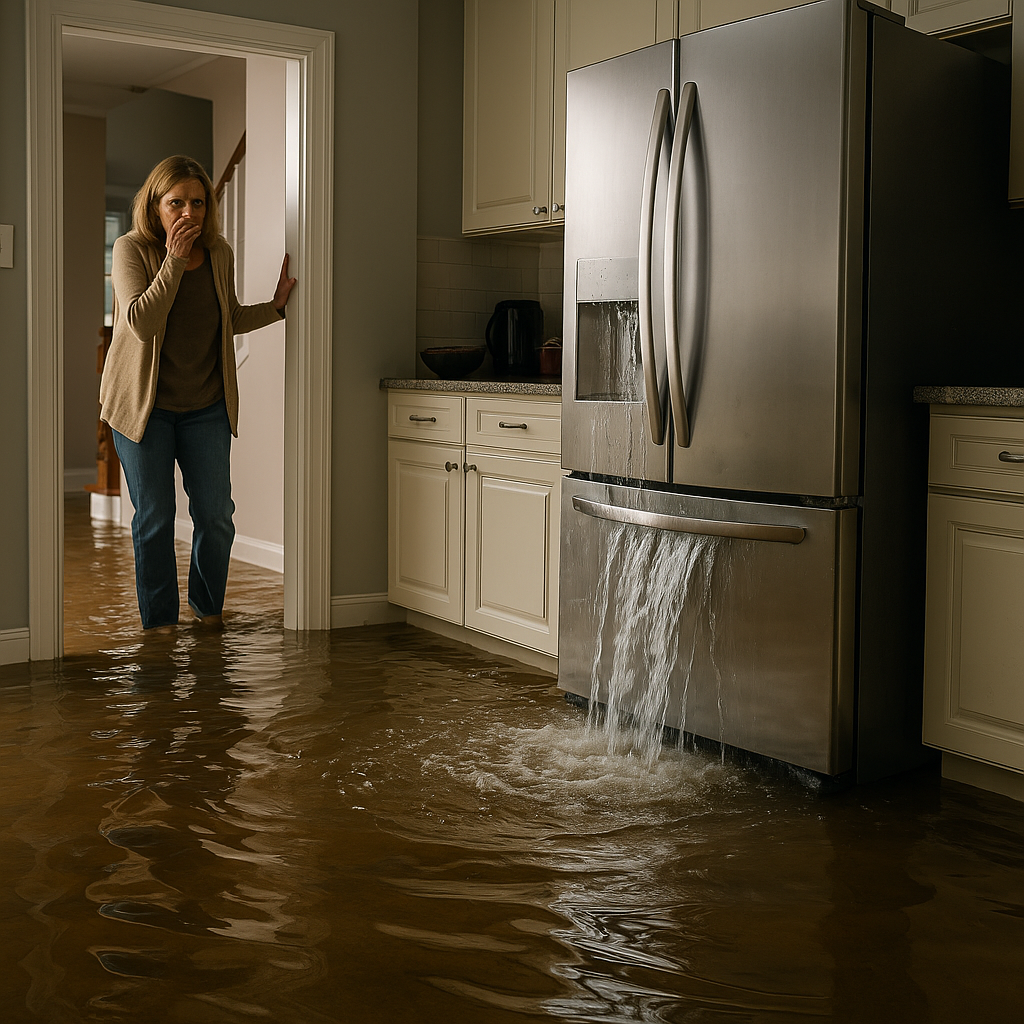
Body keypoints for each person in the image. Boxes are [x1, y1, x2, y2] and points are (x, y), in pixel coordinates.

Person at [99, 154, 296, 632]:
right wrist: (172, 259)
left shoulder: (220, 253)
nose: (189, 213)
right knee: (155, 520)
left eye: (198, 202)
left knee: (216, 517)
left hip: (205, 405)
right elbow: (142, 324)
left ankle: (207, 612)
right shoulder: (130, 249)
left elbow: (226, 318)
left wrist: (275, 307)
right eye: (176, 203)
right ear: (155, 205)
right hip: (143, 409)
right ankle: (160, 625)